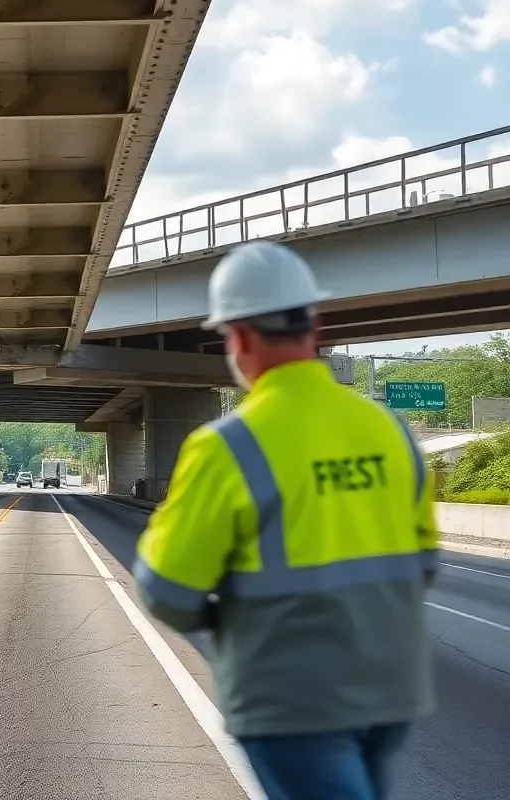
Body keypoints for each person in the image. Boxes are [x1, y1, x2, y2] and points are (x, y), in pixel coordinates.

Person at [133, 241, 436, 800]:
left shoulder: (228, 446)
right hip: (390, 688)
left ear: (239, 338)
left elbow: (166, 589)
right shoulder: (389, 429)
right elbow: (423, 562)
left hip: (290, 698)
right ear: (314, 325)